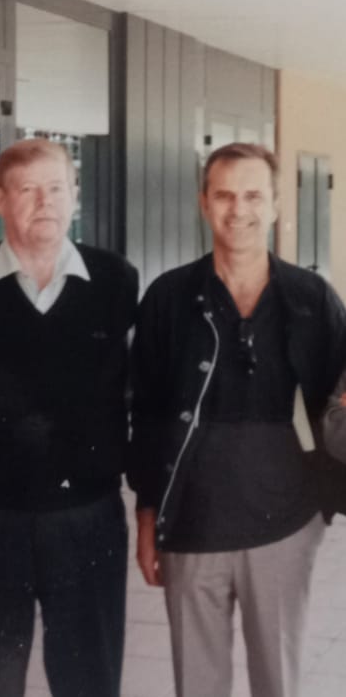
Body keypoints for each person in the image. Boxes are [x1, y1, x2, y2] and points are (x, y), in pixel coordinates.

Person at [0, 138, 138, 697]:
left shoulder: (117, 282)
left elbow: (135, 392)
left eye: (56, 188)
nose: (45, 202)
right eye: (27, 189)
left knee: (90, 677)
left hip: (86, 518)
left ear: (75, 195)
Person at [128, 142, 346, 697]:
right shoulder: (168, 298)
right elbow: (147, 417)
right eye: (224, 195)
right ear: (204, 202)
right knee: (198, 685)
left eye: (253, 196)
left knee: (279, 681)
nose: (239, 209)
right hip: (190, 523)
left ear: (275, 205)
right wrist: (147, 518)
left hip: (285, 526)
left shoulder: (312, 299)